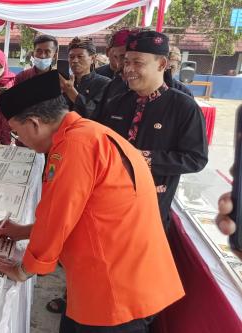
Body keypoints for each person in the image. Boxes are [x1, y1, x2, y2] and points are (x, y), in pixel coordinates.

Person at [0, 70, 185, 333]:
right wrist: (22, 231)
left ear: (34, 123)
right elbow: (86, 212)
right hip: (125, 280)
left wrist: (22, 270)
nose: (23, 142)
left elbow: (58, 217)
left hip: (114, 292)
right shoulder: (90, 132)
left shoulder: (74, 146)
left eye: (18, 134)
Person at [96, 31, 208, 230]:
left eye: (138, 63)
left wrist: (141, 159)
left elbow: (195, 158)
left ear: (162, 64)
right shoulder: (118, 102)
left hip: (150, 214)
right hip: (109, 208)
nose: (128, 69)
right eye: (127, 62)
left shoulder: (184, 107)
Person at [59, 37, 110, 118]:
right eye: (71, 57)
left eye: (80, 56)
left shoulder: (105, 83)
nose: (75, 61)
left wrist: (71, 92)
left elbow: (94, 113)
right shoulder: (64, 82)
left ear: (93, 58)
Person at [92, 28, 135, 121]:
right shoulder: (112, 85)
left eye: (124, 57)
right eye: (116, 57)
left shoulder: (171, 95)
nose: (119, 63)